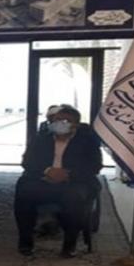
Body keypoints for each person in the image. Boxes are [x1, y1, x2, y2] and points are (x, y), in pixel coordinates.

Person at [14, 106, 102, 257]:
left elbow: (94, 166)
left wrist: (68, 175)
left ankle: (69, 245)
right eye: (56, 120)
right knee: (24, 191)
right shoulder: (41, 138)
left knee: (75, 197)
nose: (59, 124)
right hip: (43, 180)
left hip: (74, 183)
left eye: (65, 121)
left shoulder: (87, 141)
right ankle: (25, 242)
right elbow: (27, 161)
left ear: (75, 125)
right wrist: (47, 171)